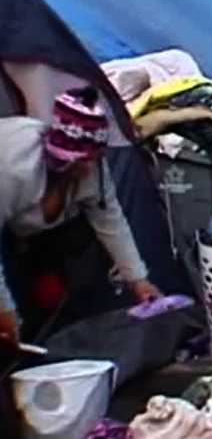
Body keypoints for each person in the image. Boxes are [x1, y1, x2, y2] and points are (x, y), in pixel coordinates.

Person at [0, 88, 163, 344]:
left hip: (39, 234)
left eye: (95, 159)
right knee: (10, 314)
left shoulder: (94, 170)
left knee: (47, 303)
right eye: (84, 162)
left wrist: (138, 279)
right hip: (7, 221)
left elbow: (110, 219)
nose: (91, 168)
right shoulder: (12, 168)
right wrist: (4, 310)